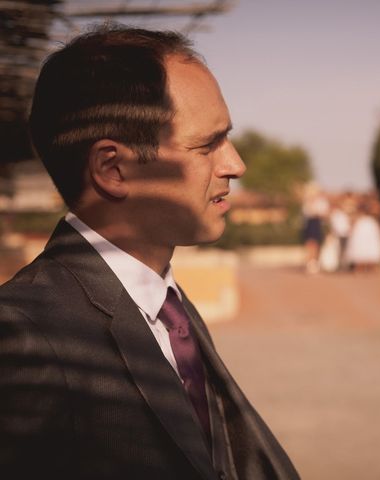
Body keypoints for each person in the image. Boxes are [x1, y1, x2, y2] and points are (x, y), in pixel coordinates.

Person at [0, 26, 299, 480]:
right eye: (207, 145)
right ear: (114, 169)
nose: (235, 165)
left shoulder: (167, 304)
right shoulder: (24, 336)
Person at [344, 201, 380, 273]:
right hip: (364, 230)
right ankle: (361, 269)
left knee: (369, 250)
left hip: (368, 229)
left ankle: (370, 269)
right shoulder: (360, 219)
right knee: (361, 251)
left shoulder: (371, 218)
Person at [300, 182, 329, 274]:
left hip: (317, 224)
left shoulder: (321, 202)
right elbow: (306, 213)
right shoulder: (307, 202)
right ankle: (309, 264)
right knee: (309, 244)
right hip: (310, 224)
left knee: (316, 245)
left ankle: (315, 264)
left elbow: (324, 213)